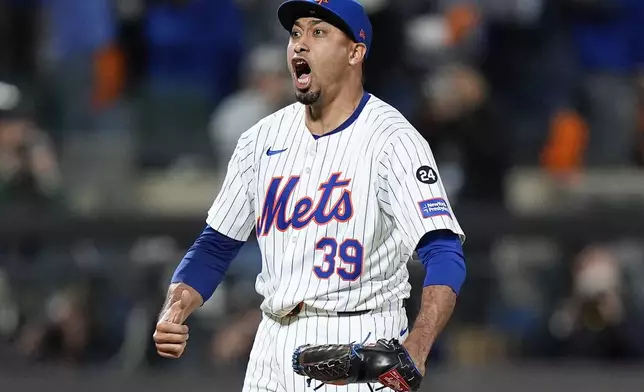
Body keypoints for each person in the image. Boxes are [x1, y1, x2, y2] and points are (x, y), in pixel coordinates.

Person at [152, 1, 467, 391]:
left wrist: (416, 347)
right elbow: (215, 245)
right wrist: (174, 309)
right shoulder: (259, 140)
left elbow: (444, 252)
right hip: (272, 345)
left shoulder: (394, 141)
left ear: (355, 52)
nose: (300, 44)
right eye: (296, 33)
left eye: (318, 32)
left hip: (359, 344)